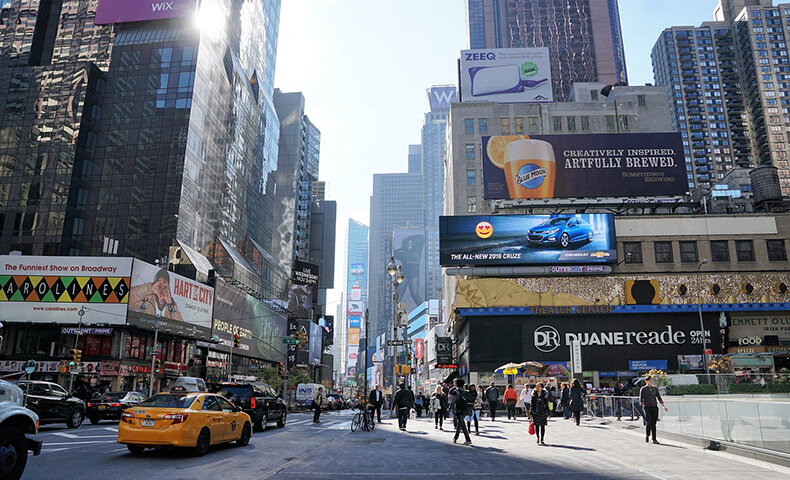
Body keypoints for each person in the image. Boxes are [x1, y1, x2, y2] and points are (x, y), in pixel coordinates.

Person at [639, 376, 668, 444]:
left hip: (654, 407)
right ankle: (647, 435)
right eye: (649, 380)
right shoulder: (643, 389)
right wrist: (643, 405)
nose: (651, 382)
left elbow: (659, 397)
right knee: (648, 422)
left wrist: (664, 406)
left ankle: (654, 439)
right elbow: (641, 398)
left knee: (654, 424)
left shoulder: (655, 389)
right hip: (647, 407)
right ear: (646, 381)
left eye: (651, 380)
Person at [450, 378, 472, 445]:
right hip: (465, 409)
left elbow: (453, 401)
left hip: (459, 409)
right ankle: (455, 438)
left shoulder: (456, 392)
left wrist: (449, 407)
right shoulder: (465, 391)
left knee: (462, 424)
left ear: (456, 384)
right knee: (460, 423)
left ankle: (468, 439)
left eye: (455, 383)